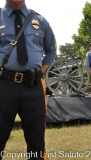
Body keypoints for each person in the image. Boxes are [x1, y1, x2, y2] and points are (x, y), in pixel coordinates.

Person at [0, 0, 57, 159]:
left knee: (37, 140)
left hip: (33, 86)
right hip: (3, 86)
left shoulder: (40, 20)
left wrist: (39, 72)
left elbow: (52, 51)